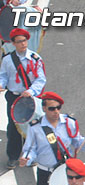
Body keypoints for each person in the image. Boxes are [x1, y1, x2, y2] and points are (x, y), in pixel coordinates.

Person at [0, 27, 46, 169]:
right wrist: (1, 84)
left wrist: (31, 91)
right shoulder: (8, 60)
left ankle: (30, 156)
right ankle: (13, 157)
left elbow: (41, 79)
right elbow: (3, 75)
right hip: (14, 98)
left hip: (29, 98)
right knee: (13, 128)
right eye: (19, 42)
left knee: (31, 127)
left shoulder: (35, 59)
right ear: (13, 43)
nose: (23, 44)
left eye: (25, 41)